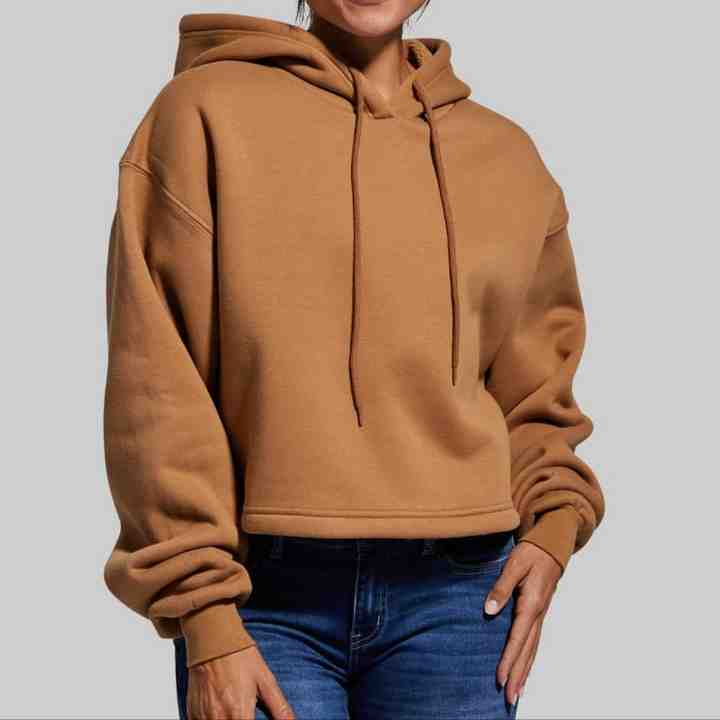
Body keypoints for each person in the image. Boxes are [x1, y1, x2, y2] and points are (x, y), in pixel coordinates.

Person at [102, 2, 605, 718]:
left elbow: (537, 395)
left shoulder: (506, 157)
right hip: (259, 596)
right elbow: (156, 379)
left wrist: (553, 531)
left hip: (462, 599)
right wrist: (204, 616)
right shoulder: (202, 115)